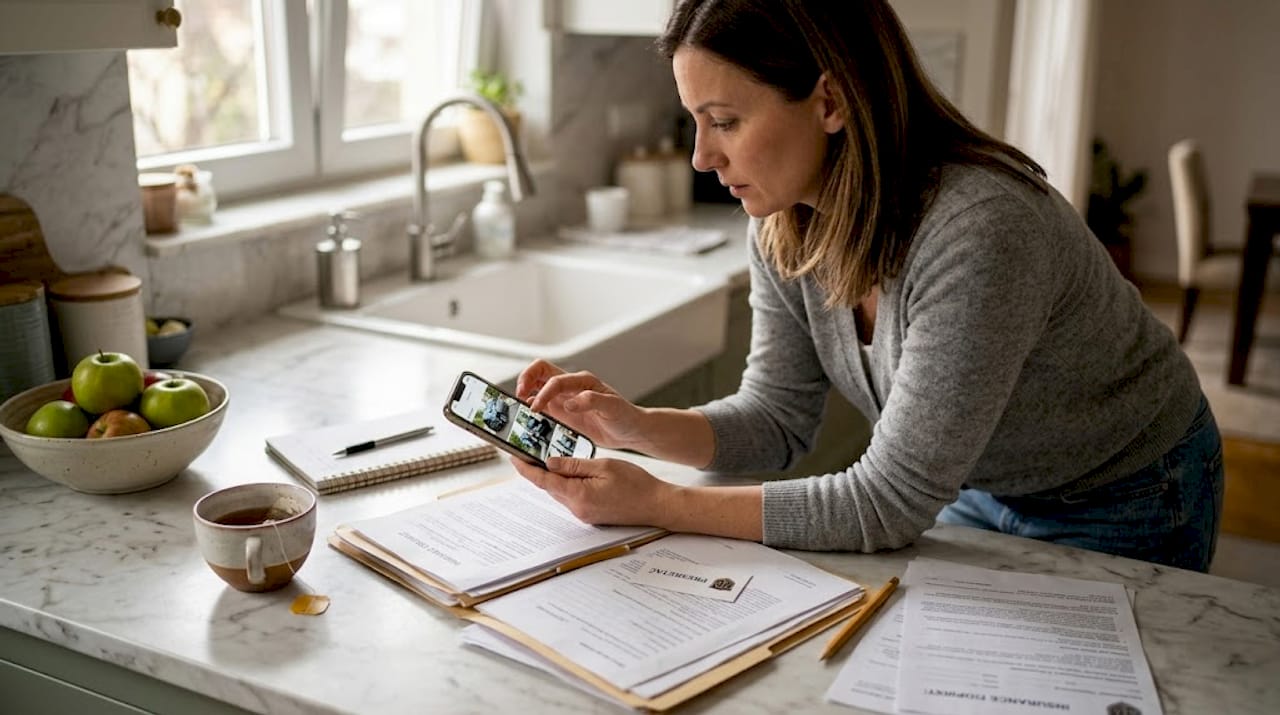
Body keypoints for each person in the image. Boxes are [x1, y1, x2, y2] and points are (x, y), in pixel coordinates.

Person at [510, 0, 1223, 572]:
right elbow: (778, 419)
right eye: (694, 122)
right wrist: (633, 426)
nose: (702, 156)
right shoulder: (783, 222)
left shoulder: (981, 230)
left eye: (724, 121)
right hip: (980, 483)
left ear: (830, 101)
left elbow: (885, 501)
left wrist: (659, 502)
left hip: (1130, 490)